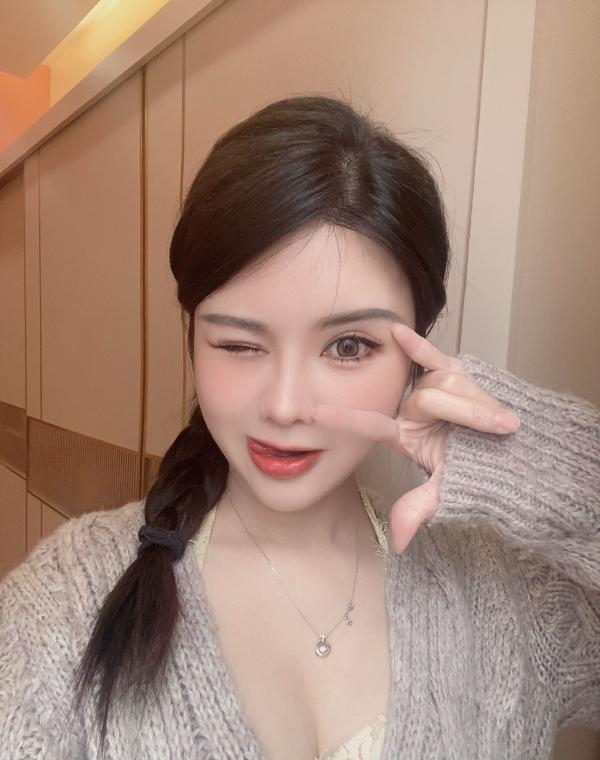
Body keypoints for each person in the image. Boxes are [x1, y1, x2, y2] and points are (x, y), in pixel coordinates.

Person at [0, 94, 598, 760]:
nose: (285, 407)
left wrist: (548, 463)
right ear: (193, 338)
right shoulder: (68, 601)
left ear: (418, 350)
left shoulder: (504, 595)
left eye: (348, 346)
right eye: (239, 344)